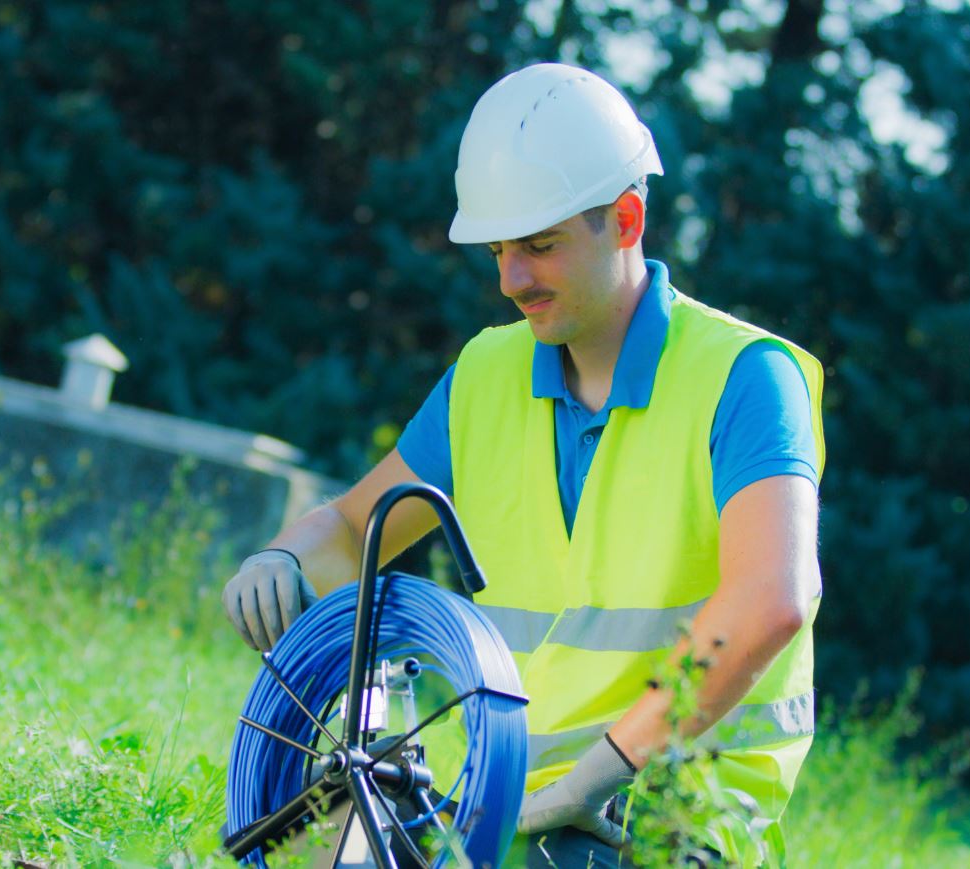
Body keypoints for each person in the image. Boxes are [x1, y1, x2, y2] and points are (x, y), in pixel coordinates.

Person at [222, 62, 824, 867]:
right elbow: (354, 528)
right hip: (511, 806)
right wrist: (287, 555)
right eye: (500, 249)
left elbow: (769, 598)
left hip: (676, 816)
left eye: (539, 246)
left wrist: (605, 768)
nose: (511, 280)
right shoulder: (486, 375)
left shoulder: (745, 375)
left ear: (625, 218)